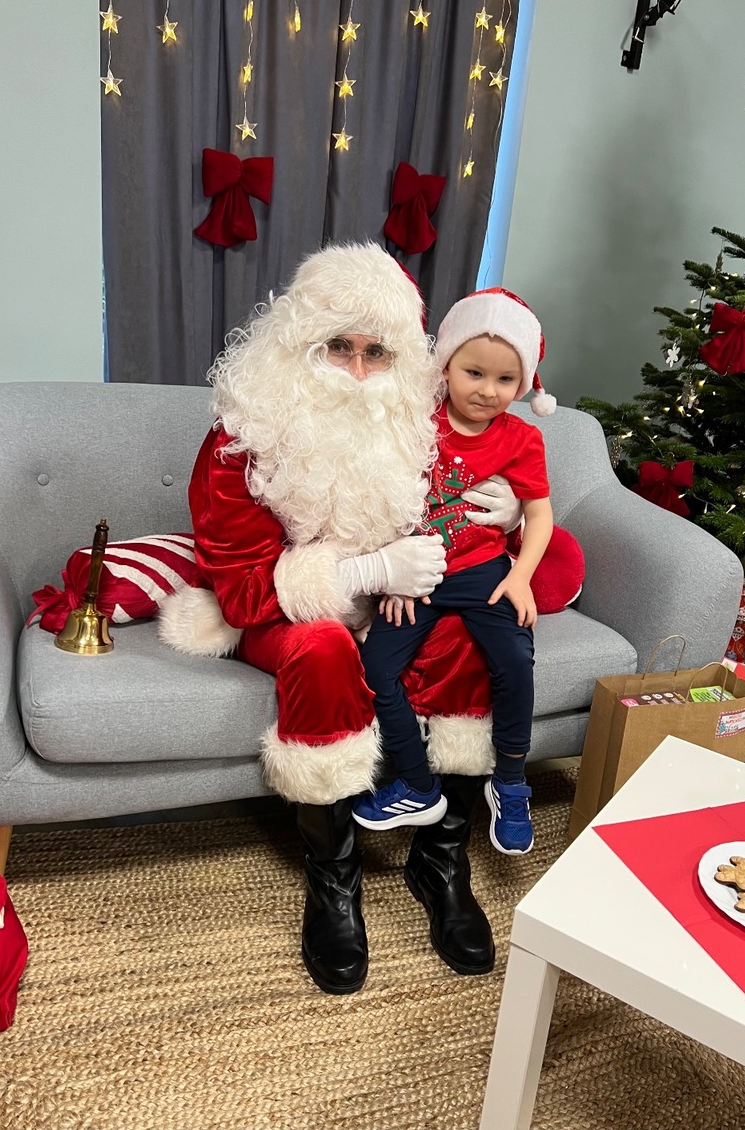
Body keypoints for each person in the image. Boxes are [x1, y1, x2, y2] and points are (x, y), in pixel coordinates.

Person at [158, 243, 522, 995]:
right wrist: (364, 574)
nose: (358, 371)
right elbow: (244, 593)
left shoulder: (419, 425)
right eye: (338, 347)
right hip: (284, 611)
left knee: (472, 631)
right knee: (323, 647)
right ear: (298, 344)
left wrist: (510, 511)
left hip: (402, 609)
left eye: (377, 352)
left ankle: (441, 860)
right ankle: (334, 876)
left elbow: (476, 511)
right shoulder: (241, 437)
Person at [354, 289, 555, 856]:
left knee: (514, 658)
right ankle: (417, 783)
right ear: (445, 366)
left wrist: (521, 576)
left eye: (505, 380)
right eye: (474, 373)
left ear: (524, 384)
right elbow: (379, 498)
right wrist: (394, 572)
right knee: (375, 667)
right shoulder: (415, 421)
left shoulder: (522, 439)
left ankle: (510, 780)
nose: (488, 391)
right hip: (418, 573)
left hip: (484, 572)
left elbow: (540, 515)